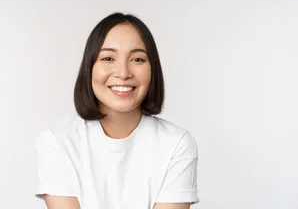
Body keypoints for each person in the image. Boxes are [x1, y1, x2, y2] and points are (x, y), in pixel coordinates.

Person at [35, 12, 199, 209]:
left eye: (137, 59)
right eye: (108, 58)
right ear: (90, 68)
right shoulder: (58, 140)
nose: (123, 73)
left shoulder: (177, 144)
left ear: (152, 69)